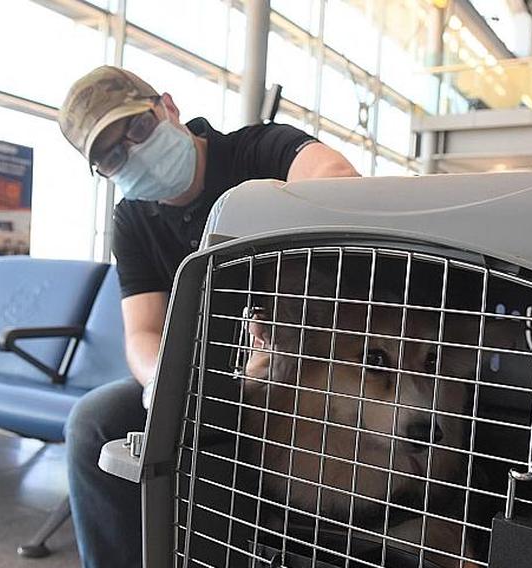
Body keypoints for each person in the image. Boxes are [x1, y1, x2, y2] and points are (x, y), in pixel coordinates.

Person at [57, 65, 359, 568]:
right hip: (209, 382)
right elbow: (144, 331)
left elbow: (337, 179)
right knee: (95, 423)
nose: (132, 152)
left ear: (169, 108)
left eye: (137, 128)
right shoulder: (134, 219)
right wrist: (165, 383)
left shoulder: (255, 153)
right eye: (112, 155)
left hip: (315, 369)